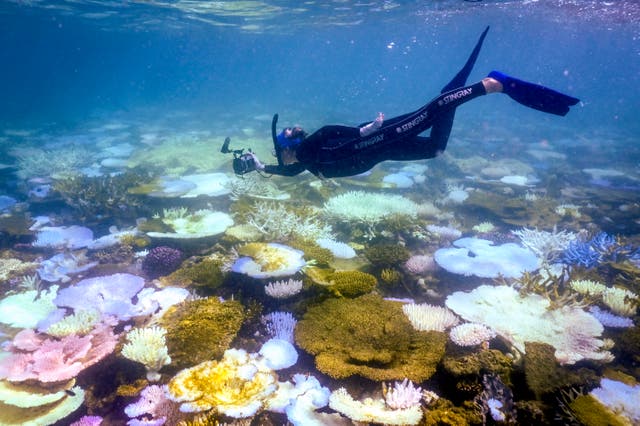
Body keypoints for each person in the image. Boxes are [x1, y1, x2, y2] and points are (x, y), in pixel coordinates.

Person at [244, 26, 579, 179]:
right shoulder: (302, 161)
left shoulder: (306, 152)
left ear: (288, 148)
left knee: (428, 114)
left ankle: (492, 84)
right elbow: (287, 173)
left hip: (381, 138)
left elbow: (332, 132)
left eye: (278, 150)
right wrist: (260, 166)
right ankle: (456, 93)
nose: (280, 157)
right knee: (436, 148)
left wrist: (365, 130)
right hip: (384, 149)